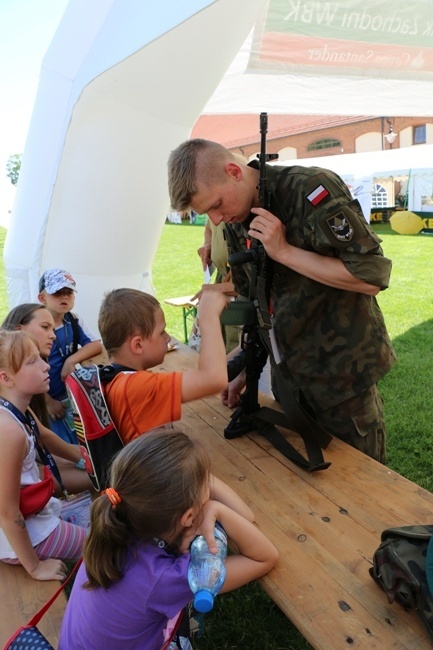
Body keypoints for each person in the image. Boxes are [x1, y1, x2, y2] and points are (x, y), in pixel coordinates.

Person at [167, 139, 397, 464]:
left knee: (363, 484)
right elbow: (258, 305)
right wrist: (244, 369)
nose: (216, 220)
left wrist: (285, 252)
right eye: (208, 213)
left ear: (234, 171)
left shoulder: (310, 188)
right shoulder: (236, 219)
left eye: (216, 205)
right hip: (290, 380)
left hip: (342, 377)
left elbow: (371, 276)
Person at [59, 429, 278, 650]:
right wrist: (218, 509)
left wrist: (192, 477)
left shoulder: (116, 527)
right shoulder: (164, 577)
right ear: (188, 517)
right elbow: (264, 557)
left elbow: (246, 516)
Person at [0, 330, 87, 581]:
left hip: (28, 519)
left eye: (40, 357)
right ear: (6, 377)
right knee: (104, 546)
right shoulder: (8, 432)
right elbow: (7, 512)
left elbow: (44, 436)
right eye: (32, 361)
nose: (46, 366)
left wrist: (82, 457)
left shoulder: (18, 408)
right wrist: (35, 567)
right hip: (21, 536)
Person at [98, 287, 231, 445]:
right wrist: (208, 317)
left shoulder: (121, 381)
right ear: (138, 345)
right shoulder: (137, 387)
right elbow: (213, 378)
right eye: (162, 332)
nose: (168, 338)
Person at [1, 303, 96, 497]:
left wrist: (88, 459)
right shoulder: (8, 421)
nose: (53, 335)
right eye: (45, 327)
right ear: (18, 330)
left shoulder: (20, 395)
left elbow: (43, 441)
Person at [38, 268, 103, 444]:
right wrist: (47, 401)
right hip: (44, 401)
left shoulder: (73, 320)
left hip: (69, 396)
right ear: (42, 298)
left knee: (82, 439)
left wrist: (71, 360)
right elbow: (25, 368)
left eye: (68, 292)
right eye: (57, 293)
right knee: (58, 445)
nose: (64, 297)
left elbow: (96, 344)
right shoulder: (36, 328)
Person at [191, 217, 239, 353]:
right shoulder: (214, 214)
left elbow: (250, 282)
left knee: (235, 348)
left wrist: (219, 289)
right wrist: (208, 244)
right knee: (219, 344)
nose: (215, 216)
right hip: (223, 278)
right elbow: (209, 227)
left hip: (238, 290)